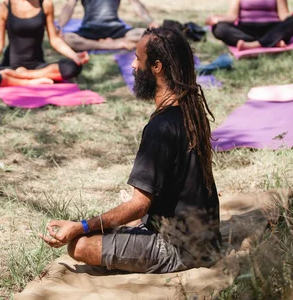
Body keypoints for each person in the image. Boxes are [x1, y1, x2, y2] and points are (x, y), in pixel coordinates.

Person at [41, 27, 221, 274]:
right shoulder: (191, 109)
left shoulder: (161, 127)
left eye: (138, 58)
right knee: (124, 219)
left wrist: (80, 227)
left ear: (157, 67)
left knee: (79, 246)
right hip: (207, 238)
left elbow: (138, 206)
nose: (134, 66)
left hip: (180, 249)